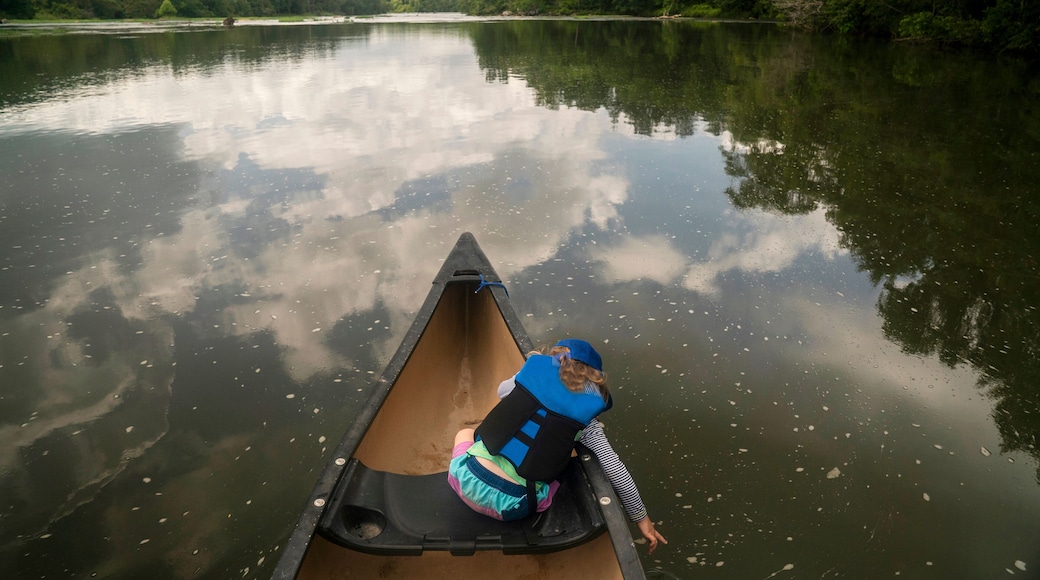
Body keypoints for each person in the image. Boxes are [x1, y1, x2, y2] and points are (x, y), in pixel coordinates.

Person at [448, 338, 668, 555]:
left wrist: (528, 371)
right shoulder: (587, 422)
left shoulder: (529, 377)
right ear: (594, 382)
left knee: (466, 432)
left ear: (556, 358)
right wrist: (642, 519)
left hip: (464, 478)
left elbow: (501, 391)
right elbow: (615, 469)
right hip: (514, 506)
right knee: (563, 474)